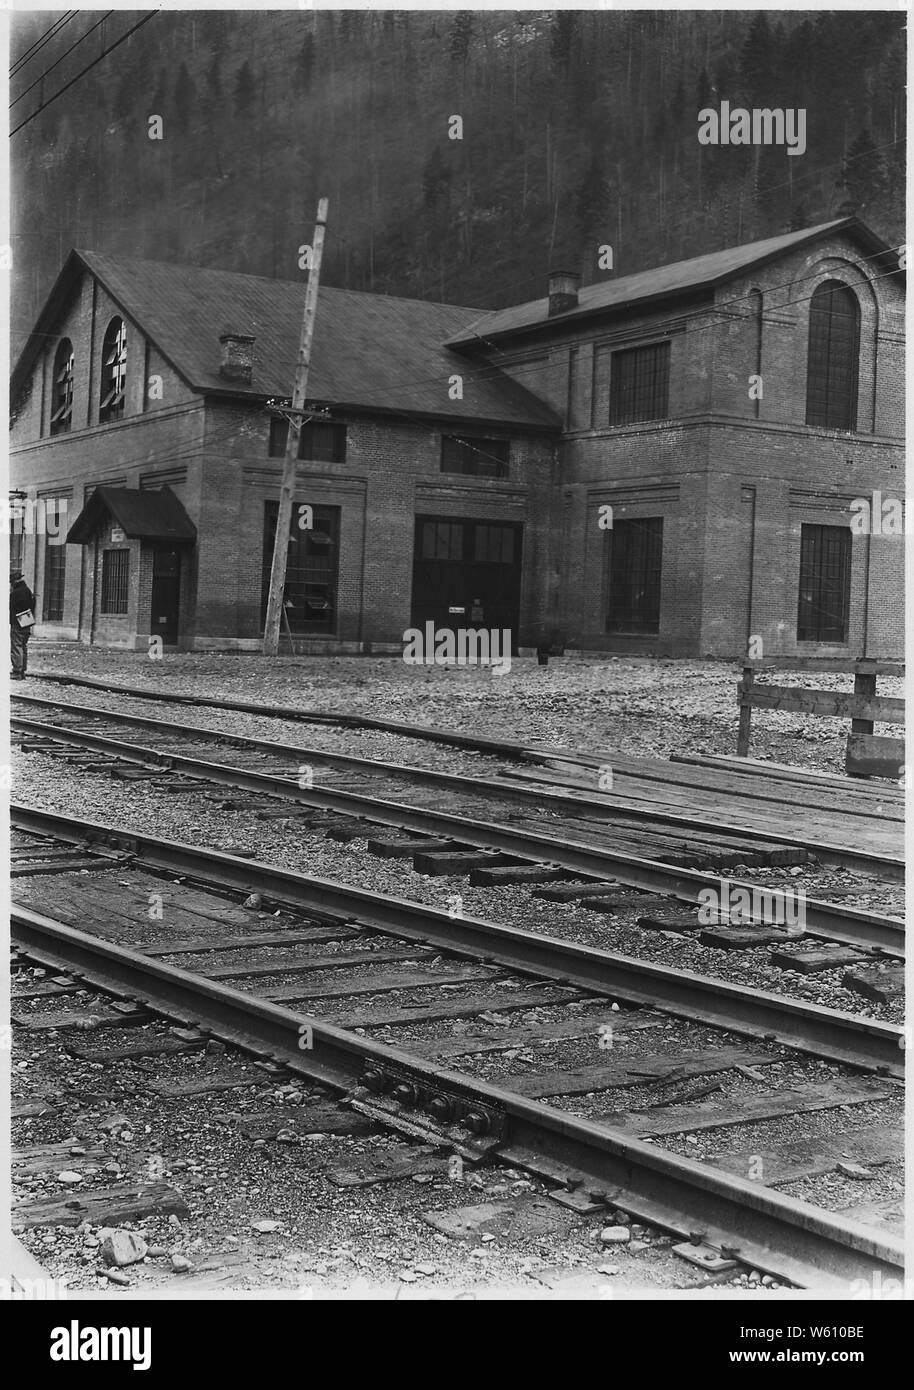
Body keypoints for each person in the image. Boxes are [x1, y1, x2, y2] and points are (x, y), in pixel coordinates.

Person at [10, 568, 35, 679]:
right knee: (23, 646)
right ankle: (22, 671)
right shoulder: (28, 590)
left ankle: (17, 672)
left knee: (16, 646)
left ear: (14, 581)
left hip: (17, 623)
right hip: (27, 622)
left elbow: (12, 608)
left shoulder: (15, 593)